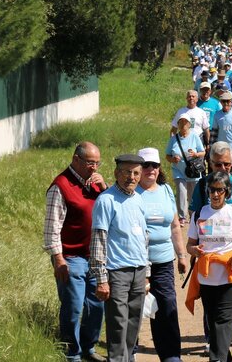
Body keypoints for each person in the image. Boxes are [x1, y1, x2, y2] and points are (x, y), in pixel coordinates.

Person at [190, 141, 232, 350]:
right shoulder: (202, 187)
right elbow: (196, 217)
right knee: (210, 296)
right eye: (219, 165)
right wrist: (194, 249)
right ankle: (212, 337)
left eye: (227, 164)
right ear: (210, 164)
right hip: (209, 253)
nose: (224, 169)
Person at [44, 142, 107, 362]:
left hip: (96, 256)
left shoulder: (97, 184)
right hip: (71, 257)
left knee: (97, 305)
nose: (95, 167)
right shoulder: (60, 186)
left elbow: (109, 213)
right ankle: (72, 353)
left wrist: (106, 188)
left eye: (98, 163)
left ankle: (89, 348)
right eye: (90, 163)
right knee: (73, 306)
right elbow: (52, 228)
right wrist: (58, 258)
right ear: (76, 159)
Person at [90, 154, 148, 362]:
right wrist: (101, 278)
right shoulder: (106, 200)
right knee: (118, 325)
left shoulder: (139, 199)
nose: (131, 177)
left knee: (134, 324)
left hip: (139, 271)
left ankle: (126, 358)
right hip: (117, 273)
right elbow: (98, 240)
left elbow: (144, 238)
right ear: (116, 173)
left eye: (136, 173)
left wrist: (147, 273)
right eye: (126, 172)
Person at [136, 147, 188, 362]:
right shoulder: (131, 192)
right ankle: (128, 352)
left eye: (154, 165)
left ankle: (171, 355)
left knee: (167, 306)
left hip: (164, 260)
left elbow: (175, 226)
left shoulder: (166, 190)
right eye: (146, 165)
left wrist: (182, 255)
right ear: (138, 168)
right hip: (137, 261)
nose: (151, 170)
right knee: (135, 308)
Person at [165, 113, 206, 225]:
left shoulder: (194, 136)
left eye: (185, 122)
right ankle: (182, 216)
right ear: (177, 124)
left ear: (189, 124)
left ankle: (193, 214)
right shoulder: (173, 139)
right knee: (181, 192)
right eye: (181, 122)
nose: (183, 124)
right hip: (178, 171)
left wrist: (195, 154)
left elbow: (203, 152)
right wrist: (173, 159)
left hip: (192, 171)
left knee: (192, 195)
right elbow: (167, 156)